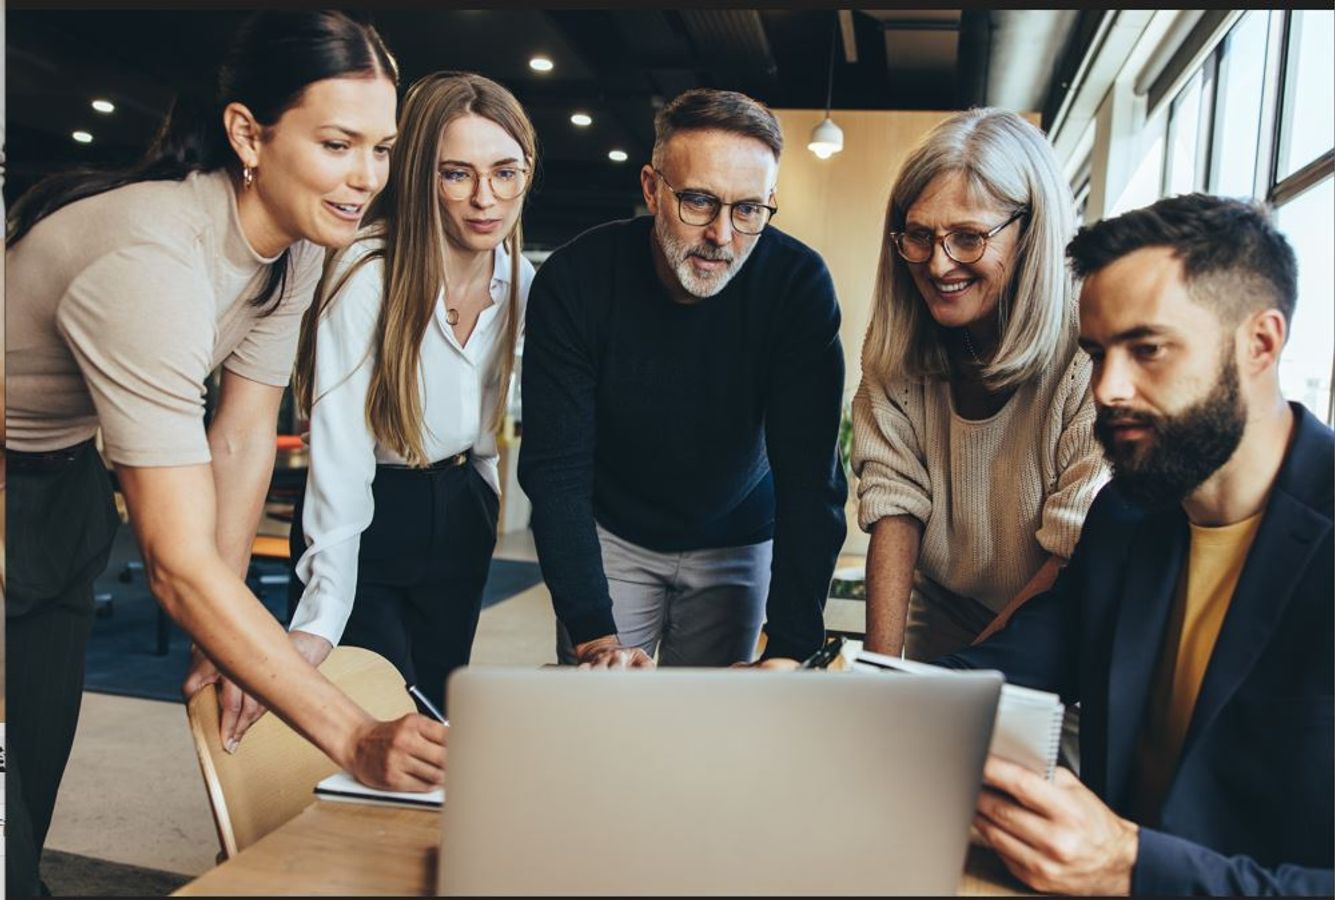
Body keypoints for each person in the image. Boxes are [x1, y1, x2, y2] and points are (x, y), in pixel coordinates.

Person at [5, 12, 445, 896]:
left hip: (61, 492)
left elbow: (241, 431)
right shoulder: (153, 260)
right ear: (250, 133)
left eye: (382, 149)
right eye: (337, 144)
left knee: (33, 777)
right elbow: (172, 567)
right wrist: (354, 735)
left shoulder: (295, 247)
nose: (366, 179)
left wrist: (227, 637)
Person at [939, 194, 1332, 895]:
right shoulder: (1127, 514)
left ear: (1261, 344)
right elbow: (1000, 671)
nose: (1106, 388)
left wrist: (1130, 866)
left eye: (1145, 349)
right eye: (1096, 354)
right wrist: (831, 697)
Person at [518, 88, 847, 669]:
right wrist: (595, 635)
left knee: (708, 730)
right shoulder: (577, 279)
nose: (721, 235)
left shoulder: (797, 287)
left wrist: (791, 651)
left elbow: (810, 480)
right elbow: (556, 470)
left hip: (738, 532)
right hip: (613, 531)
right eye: (698, 201)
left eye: (747, 210)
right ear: (651, 188)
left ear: (770, 201)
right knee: (602, 716)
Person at [279, 72, 535, 718]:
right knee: (375, 714)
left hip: (460, 508)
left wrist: (483, 498)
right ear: (420, 174)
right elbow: (339, 456)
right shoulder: (367, 274)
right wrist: (322, 613)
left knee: (439, 712)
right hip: (371, 511)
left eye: (505, 172)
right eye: (457, 174)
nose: (486, 198)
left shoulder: (520, 279)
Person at [851, 108, 1109, 661]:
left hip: (1058, 604)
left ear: (1032, 229)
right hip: (944, 601)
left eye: (968, 237)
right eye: (919, 235)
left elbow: (1071, 546)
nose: (939, 265)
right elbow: (894, 501)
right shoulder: (899, 334)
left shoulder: (1089, 342)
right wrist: (880, 671)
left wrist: (967, 672)